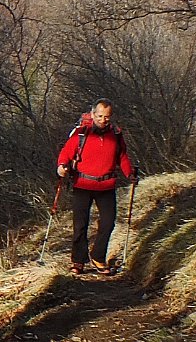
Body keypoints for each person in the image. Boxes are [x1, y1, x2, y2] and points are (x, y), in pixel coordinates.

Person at [55, 99, 136, 274]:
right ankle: (78, 261)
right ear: (92, 115)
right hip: (83, 184)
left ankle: (98, 257)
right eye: (99, 116)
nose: (103, 120)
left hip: (106, 185)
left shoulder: (116, 135)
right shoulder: (81, 134)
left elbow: (122, 157)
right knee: (80, 225)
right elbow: (66, 153)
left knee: (108, 223)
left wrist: (130, 174)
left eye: (106, 117)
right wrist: (62, 165)